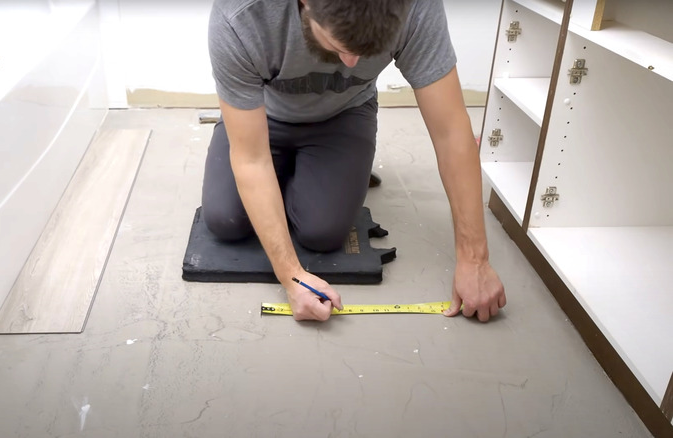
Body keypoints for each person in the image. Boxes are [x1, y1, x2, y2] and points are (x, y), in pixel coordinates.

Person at [201, 0, 506, 322]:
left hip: (343, 115)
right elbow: (251, 160)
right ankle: (301, 173)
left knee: (323, 233)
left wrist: (475, 260)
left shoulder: (417, 6)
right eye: (338, 46)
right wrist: (291, 275)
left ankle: (319, 170)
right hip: (262, 115)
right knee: (225, 221)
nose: (351, 63)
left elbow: (451, 133)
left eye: (367, 50)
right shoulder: (240, 15)